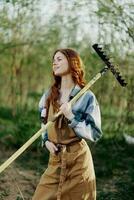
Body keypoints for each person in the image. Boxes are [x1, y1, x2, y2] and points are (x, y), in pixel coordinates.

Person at [32, 48, 102, 200]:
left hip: (78, 162)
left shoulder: (86, 97)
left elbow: (94, 133)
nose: (54, 62)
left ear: (72, 63)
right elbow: (43, 122)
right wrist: (45, 140)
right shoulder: (49, 94)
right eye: (53, 60)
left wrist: (70, 115)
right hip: (56, 159)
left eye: (59, 59)